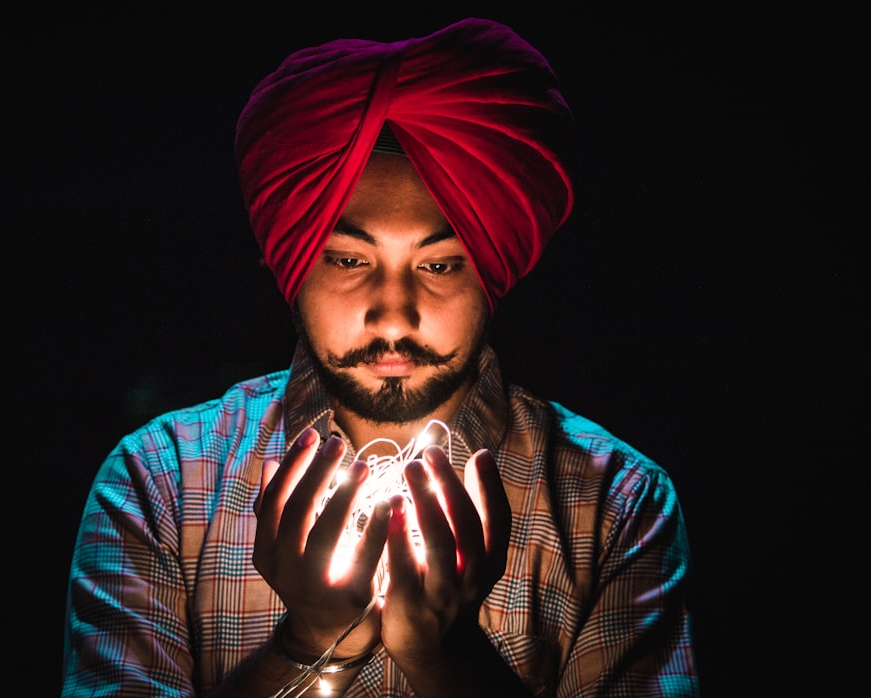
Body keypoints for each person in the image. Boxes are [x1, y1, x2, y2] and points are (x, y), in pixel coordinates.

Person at [61, 17, 699, 697]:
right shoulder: (160, 484)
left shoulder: (615, 506)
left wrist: (447, 658)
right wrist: (306, 645)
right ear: (290, 264)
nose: (393, 312)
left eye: (441, 264)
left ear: (494, 271)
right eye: (349, 259)